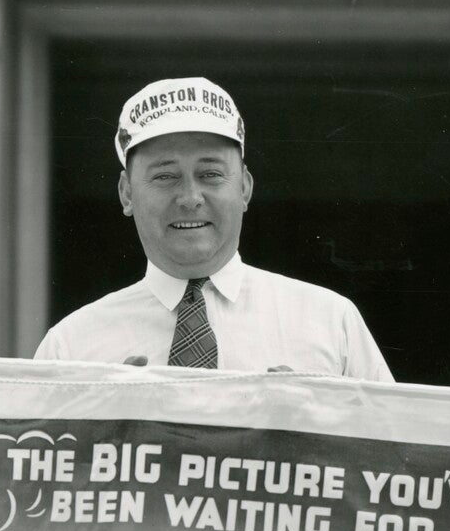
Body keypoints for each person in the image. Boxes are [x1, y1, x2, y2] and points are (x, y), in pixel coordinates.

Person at [35, 76, 393, 380]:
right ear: (127, 193)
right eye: (165, 176)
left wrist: (311, 429)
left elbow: (397, 456)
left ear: (244, 188)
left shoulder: (332, 324)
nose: (190, 197)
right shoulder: (69, 349)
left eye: (210, 174)